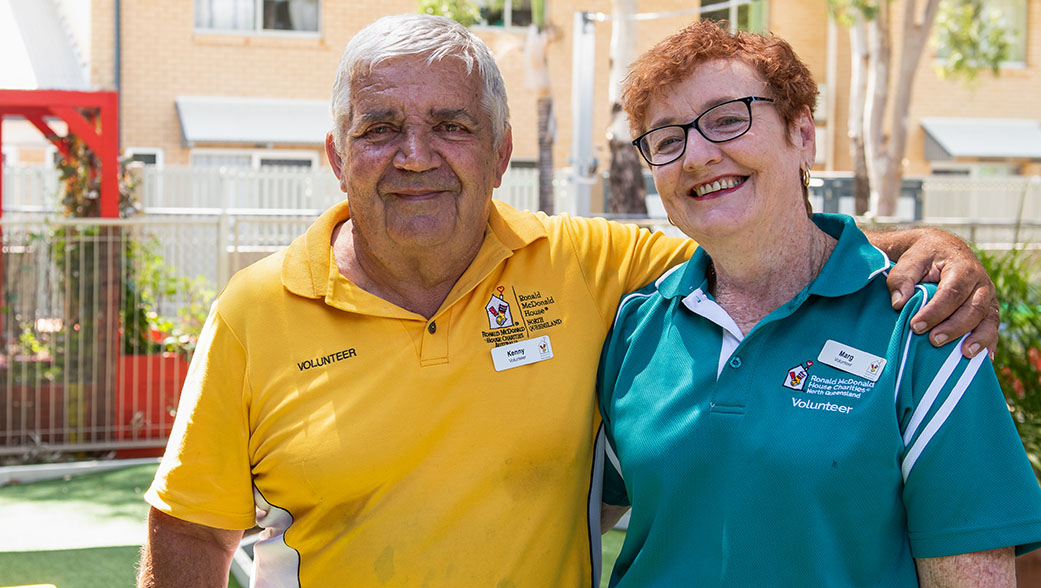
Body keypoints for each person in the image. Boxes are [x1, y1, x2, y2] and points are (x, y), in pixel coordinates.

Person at [137, 14, 1000, 588]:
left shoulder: (589, 265)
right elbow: (187, 532)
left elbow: (762, 239)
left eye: (451, 124)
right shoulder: (254, 311)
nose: (414, 155)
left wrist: (930, 250)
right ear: (334, 153)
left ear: (501, 148)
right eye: (378, 129)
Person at [596, 19, 1041, 588]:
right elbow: (576, 524)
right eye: (666, 139)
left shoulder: (924, 330)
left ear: (803, 134)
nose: (697, 156)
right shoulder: (637, 330)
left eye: (728, 119)